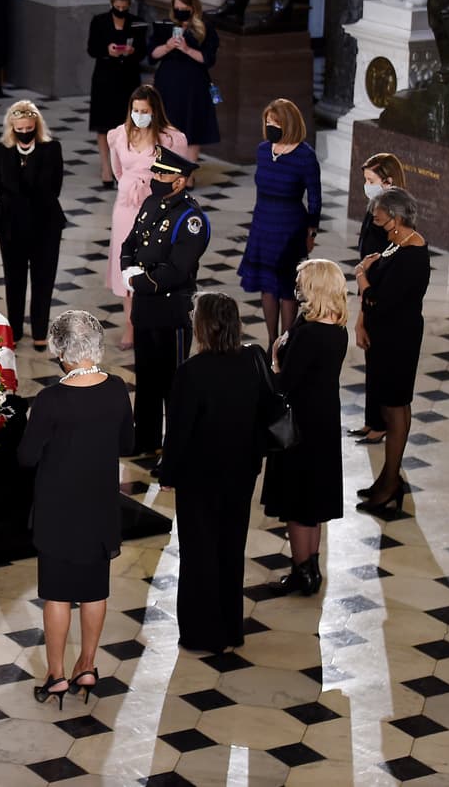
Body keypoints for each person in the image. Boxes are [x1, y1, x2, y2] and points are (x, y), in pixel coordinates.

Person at [18, 311, 133, 708]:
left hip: (58, 509)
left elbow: (27, 458)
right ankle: (87, 665)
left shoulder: (50, 400)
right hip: (100, 504)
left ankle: (56, 675)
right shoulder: (117, 389)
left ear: (61, 351)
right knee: (94, 590)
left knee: (57, 595)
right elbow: (128, 443)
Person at [160, 292, 265, 653]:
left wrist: (168, 473)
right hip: (241, 472)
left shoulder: (191, 373)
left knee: (198, 553)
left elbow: (178, 431)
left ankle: (201, 634)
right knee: (231, 550)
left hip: (200, 477)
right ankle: (230, 630)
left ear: (203, 325)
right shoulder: (253, 360)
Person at [259, 259, 348, 595]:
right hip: (324, 419)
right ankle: (312, 566)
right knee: (314, 503)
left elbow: (286, 382)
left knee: (297, 504)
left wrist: (277, 362)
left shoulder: (309, 333)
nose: (296, 287)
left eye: (300, 281)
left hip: (300, 424)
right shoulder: (335, 327)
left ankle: (301, 572)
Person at [118, 147, 209, 456]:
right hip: (145, 307)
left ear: (180, 181)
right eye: (155, 172)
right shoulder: (151, 203)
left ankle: (176, 450)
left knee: (173, 384)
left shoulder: (190, 218)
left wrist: (138, 280)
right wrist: (127, 269)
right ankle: (145, 439)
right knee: (146, 379)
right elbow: (130, 243)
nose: (155, 178)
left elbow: (177, 269)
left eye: (163, 174)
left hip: (170, 310)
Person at [354, 189, 429, 515]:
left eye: (378, 213)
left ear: (395, 218)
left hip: (398, 339)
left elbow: (380, 302)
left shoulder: (412, 254)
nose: (374, 218)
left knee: (395, 407)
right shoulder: (397, 243)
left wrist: (362, 278)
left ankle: (390, 484)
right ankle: (387, 476)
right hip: (388, 335)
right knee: (392, 405)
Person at [106, 85, 189, 351]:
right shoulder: (120, 135)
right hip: (126, 208)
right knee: (127, 263)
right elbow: (118, 170)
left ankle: (154, 319)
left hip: (156, 206)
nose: (139, 115)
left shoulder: (171, 139)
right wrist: (131, 188)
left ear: (155, 111)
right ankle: (130, 325)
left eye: (145, 111)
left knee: (153, 261)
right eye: (136, 111)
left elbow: (180, 176)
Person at [237, 98, 322, 350]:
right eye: (268, 121)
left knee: (286, 286)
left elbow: (315, 197)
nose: (270, 125)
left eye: (276, 121)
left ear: (289, 123)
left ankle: (287, 341)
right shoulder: (263, 150)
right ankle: (271, 339)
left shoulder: (305, 156)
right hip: (263, 222)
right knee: (267, 284)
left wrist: (312, 230)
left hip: (290, 226)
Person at [0, 100, 65, 351]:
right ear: (11, 127)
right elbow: (0, 187)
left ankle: (41, 331)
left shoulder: (51, 149)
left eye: (29, 127)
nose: (24, 132)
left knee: (44, 278)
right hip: (11, 223)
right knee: (14, 278)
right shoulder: (1, 151)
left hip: (45, 222)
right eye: (19, 128)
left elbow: (53, 187)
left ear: (37, 125)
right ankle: (15, 329)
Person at [350, 152, 406, 444]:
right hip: (368, 289)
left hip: (380, 295)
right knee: (372, 362)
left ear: (389, 182)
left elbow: (386, 261)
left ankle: (381, 423)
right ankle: (372, 420)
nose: (366, 185)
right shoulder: (376, 207)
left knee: (382, 363)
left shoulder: (393, 218)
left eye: (371, 180)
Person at [151, 0, 220, 166]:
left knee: (192, 127)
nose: (180, 11)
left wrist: (187, 49)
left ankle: (187, 172)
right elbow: (152, 54)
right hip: (168, 82)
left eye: (183, 8)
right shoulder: (165, 26)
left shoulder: (204, 28)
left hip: (194, 84)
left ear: (192, 8)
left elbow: (207, 59)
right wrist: (167, 47)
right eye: (177, 8)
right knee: (168, 127)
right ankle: (170, 168)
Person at [88, 0, 147, 188]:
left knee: (128, 124)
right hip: (105, 77)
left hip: (128, 78)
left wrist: (131, 52)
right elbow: (92, 48)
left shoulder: (138, 23)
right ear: (112, 3)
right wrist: (107, 50)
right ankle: (106, 167)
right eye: (117, 6)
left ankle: (125, 164)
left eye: (124, 7)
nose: (120, 10)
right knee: (104, 124)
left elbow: (143, 51)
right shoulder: (99, 21)